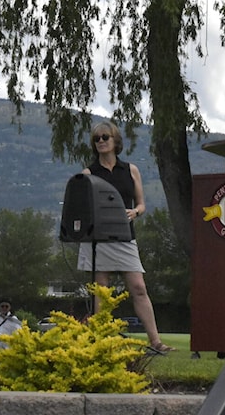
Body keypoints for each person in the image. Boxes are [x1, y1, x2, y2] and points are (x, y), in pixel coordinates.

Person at [76, 120, 175, 353]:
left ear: (115, 141)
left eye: (105, 137)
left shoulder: (131, 170)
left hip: (124, 235)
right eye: (97, 139)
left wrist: (135, 212)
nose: (101, 141)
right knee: (102, 291)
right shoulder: (88, 173)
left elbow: (141, 205)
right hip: (97, 239)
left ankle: (156, 342)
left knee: (139, 287)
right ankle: (100, 341)